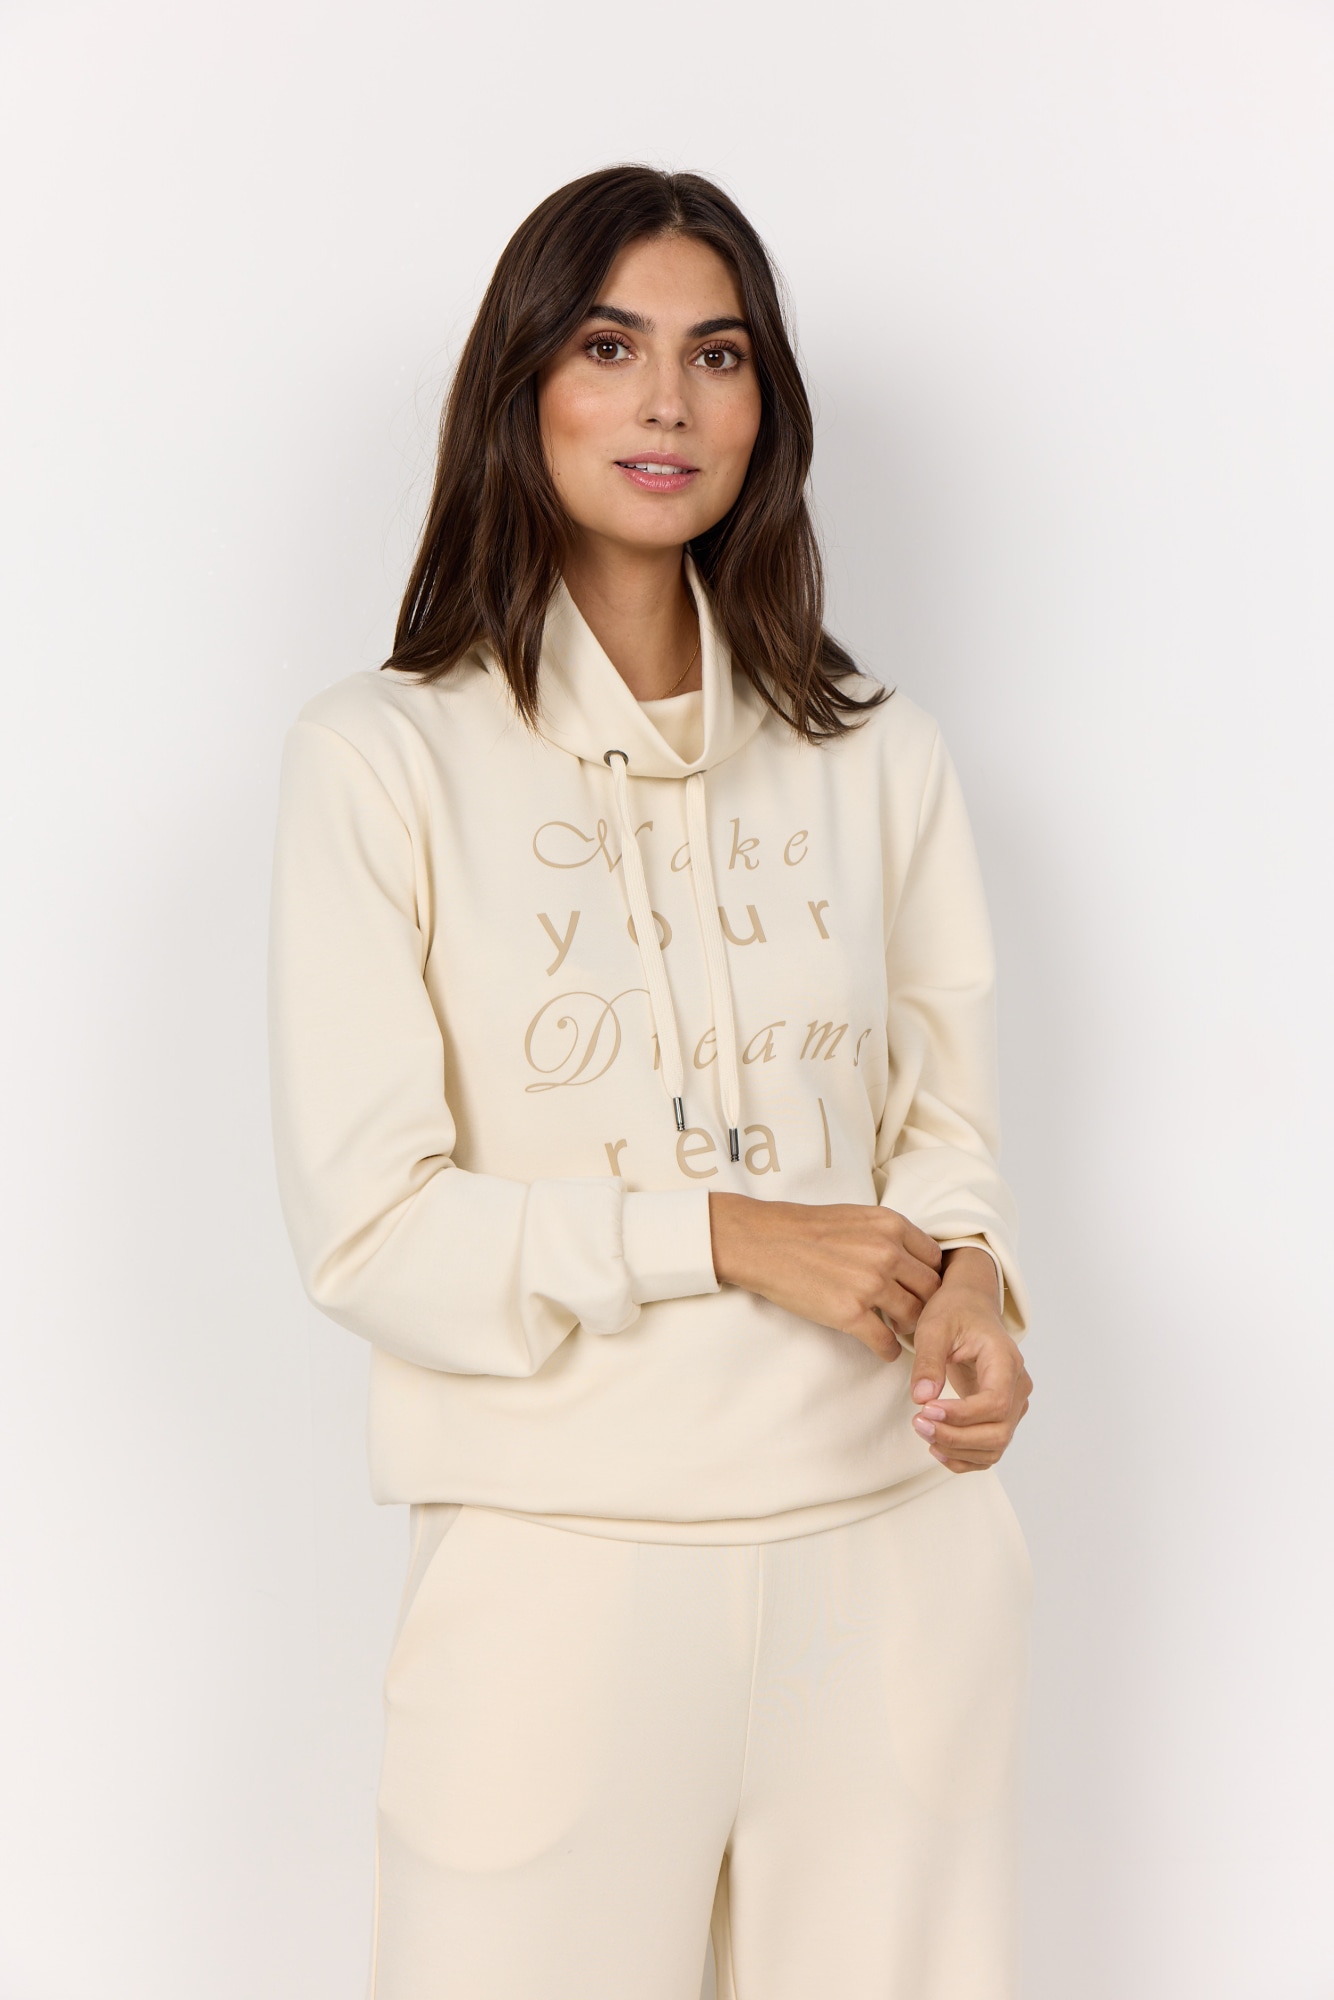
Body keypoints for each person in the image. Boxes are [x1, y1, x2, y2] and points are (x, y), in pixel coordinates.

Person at [268, 164, 1036, 2000]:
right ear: (523, 383)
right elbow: (371, 1234)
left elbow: (942, 1133)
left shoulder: (878, 754)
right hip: (560, 1575)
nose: (669, 402)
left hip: (889, 1562)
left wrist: (977, 1287)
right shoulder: (380, 759)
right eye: (609, 348)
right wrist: (722, 1234)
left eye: (719, 353)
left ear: (766, 404)